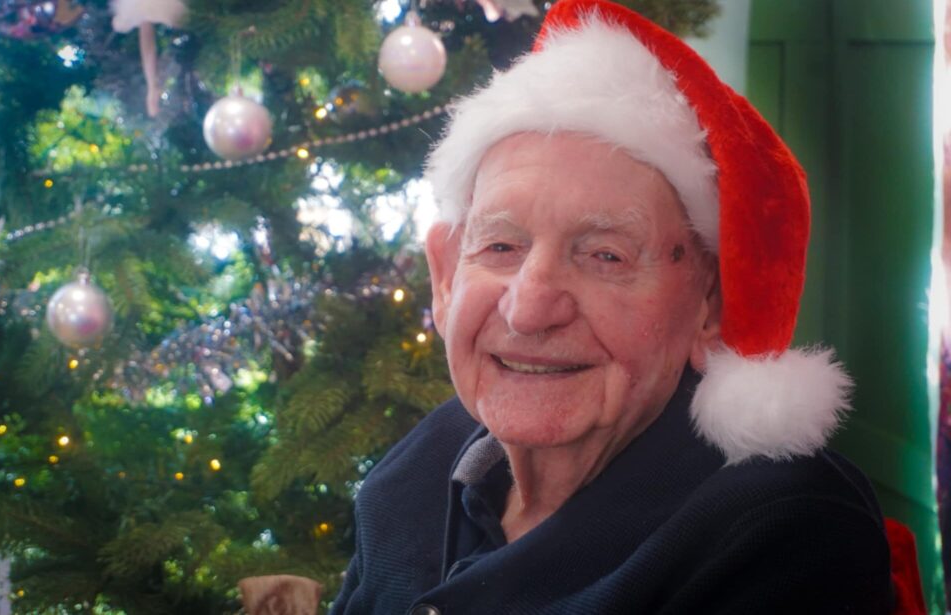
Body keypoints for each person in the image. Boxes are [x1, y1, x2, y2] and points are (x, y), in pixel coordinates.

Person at [330, 1, 896, 613]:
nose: (529, 309)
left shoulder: (783, 530)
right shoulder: (422, 462)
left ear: (710, 303)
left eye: (605, 256)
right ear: (445, 279)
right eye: (500, 245)